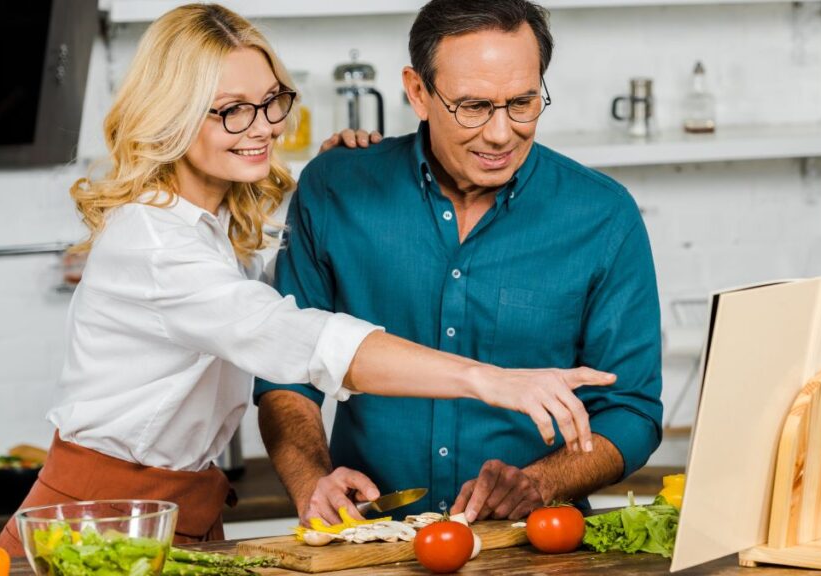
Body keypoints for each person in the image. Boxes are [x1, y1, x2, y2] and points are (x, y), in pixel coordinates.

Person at [0, 3, 616, 556]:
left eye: (271, 101)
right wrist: (489, 380)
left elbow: (276, 294)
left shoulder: (214, 233)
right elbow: (298, 336)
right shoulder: (154, 242)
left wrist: (343, 186)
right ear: (172, 115)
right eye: (233, 111)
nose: (263, 125)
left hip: (181, 513)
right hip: (95, 519)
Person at [255, 0, 663, 528]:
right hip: (370, 537)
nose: (500, 134)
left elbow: (631, 411)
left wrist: (540, 482)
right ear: (417, 92)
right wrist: (313, 484)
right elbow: (286, 375)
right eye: (472, 106)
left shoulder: (603, 216)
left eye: (522, 102)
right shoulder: (336, 189)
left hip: (532, 547)